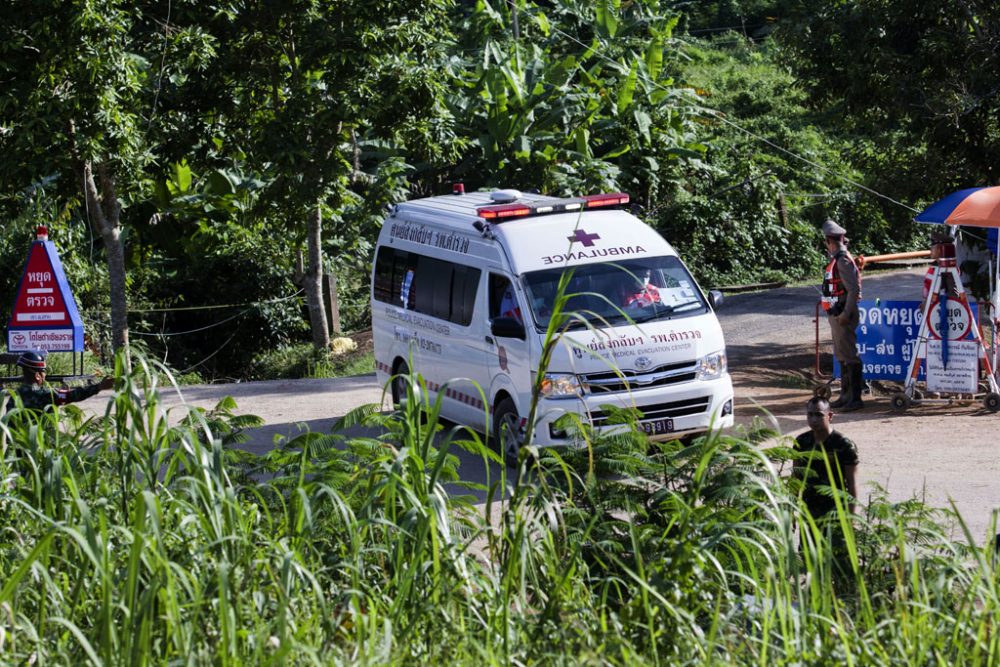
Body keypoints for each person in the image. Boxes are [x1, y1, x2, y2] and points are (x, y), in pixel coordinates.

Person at [793, 392, 859, 521]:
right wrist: (790, 509)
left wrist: (851, 519)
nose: (813, 419)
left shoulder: (844, 445)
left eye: (819, 415)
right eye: (810, 414)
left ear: (830, 416)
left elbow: (852, 484)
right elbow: (795, 479)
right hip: (808, 513)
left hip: (836, 513)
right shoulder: (802, 441)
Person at [820, 219, 864, 411]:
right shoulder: (837, 259)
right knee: (841, 354)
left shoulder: (843, 260)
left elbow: (853, 289)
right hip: (837, 313)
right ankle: (845, 395)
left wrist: (846, 314)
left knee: (850, 355)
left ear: (830, 241)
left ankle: (855, 398)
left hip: (844, 314)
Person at [8, 351, 114, 412]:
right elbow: (73, 395)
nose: (45, 375)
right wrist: (99, 386)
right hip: (40, 447)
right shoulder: (43, 394)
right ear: (37, 376)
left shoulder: (14, 396)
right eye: (44, 371)